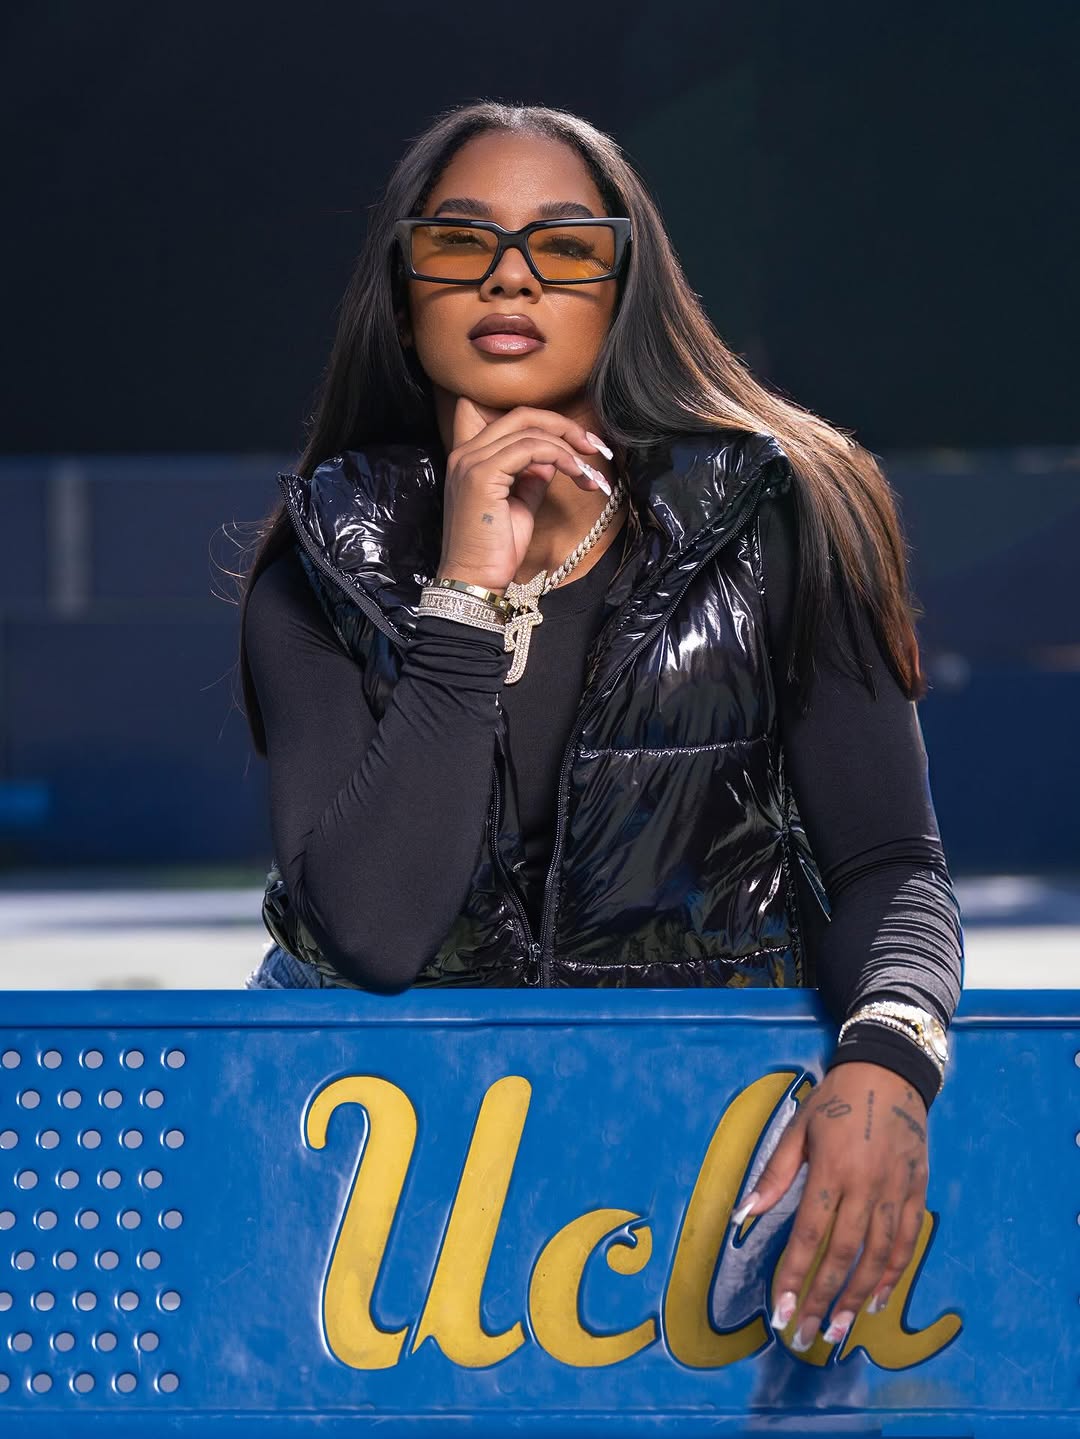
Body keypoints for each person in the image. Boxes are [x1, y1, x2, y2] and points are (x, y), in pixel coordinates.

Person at [236, 101, 963, 1358]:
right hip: (362, 1188)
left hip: (687, 1160)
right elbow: (371, 931)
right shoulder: (319, 563)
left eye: (564, 245)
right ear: (403, 293)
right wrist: (466, 594)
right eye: (460, 241)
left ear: (625, 288)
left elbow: (889, 863)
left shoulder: (789, 516)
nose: (510, 276)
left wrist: (889, 1060)